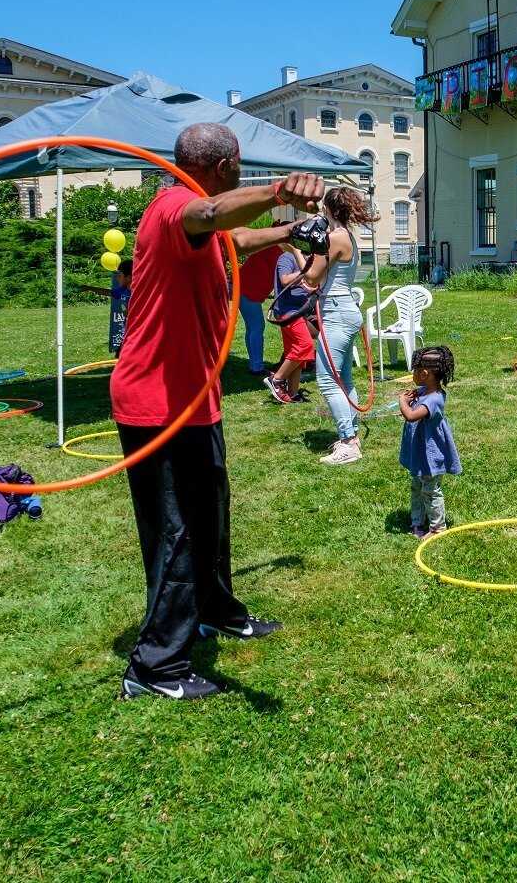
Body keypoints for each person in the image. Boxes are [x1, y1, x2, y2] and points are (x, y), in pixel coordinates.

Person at [110, 122, 324, 700]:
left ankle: (216, 610)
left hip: (194, 397)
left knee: (211, 514)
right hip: (157, 400)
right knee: (175, 530)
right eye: (239, 164)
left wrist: (289, 231)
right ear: (225, 164)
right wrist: (280, 190)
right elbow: (210, 217)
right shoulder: (176, 207)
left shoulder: (204, 223)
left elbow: (233, 239)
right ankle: (155, 668)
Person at [301, 186, 378, 465]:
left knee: (326, 380)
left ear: (328, 210)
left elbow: (311, 277)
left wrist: (291, 250)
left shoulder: (334, 238)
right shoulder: (348, 237)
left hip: (336, 313)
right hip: (342, 309)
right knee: (343, 379)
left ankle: (348, 443)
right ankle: (351, 434)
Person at [398, 345, 461, 537]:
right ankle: (417, 522)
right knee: (417, 488)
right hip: (419, 453)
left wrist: (402, 401)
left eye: (414, 372)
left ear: (425, 373)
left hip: (430, 455)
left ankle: (437, 528)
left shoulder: (434, 400)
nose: (412, 376)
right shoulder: (425, 391)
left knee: (431, 491)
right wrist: (415, 394)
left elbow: (411, 415)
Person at [264, 238, 318, 404]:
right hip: (288, 311)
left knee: (296, 353)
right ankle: (277, 379)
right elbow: (285, 279)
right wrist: (305, 270)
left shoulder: (308, 258)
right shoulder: (287, 257)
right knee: (305, 345)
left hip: (298, 311)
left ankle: (293, 393)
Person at [75, 259, 133, 354]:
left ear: (128, 278)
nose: (117, 278)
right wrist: (89, 288)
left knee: (125, 351)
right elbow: (107, 292)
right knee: (122, 351)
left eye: (120, 275)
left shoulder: (136, 292)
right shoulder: (121, 290)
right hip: (128, 327)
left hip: (136, 327)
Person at [237, 245, 278, 374]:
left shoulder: (271, 245)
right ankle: (257, 367)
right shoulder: (278, 250)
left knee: (252, 328)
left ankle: (254, 365)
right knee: (257, 328)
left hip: (243, 288)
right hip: (248, 292)